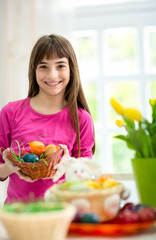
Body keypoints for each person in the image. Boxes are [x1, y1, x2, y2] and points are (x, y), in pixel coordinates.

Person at [0, 34, 95, 204]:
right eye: (43, 66)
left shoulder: (81, 118)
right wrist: (9, 167)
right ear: (34, 70)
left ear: (71, 69)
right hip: (18, 215)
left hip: (63, 215)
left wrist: (70, 164)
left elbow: (85, 175)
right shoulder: (10, 112)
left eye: (60, 66)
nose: (52, 75)